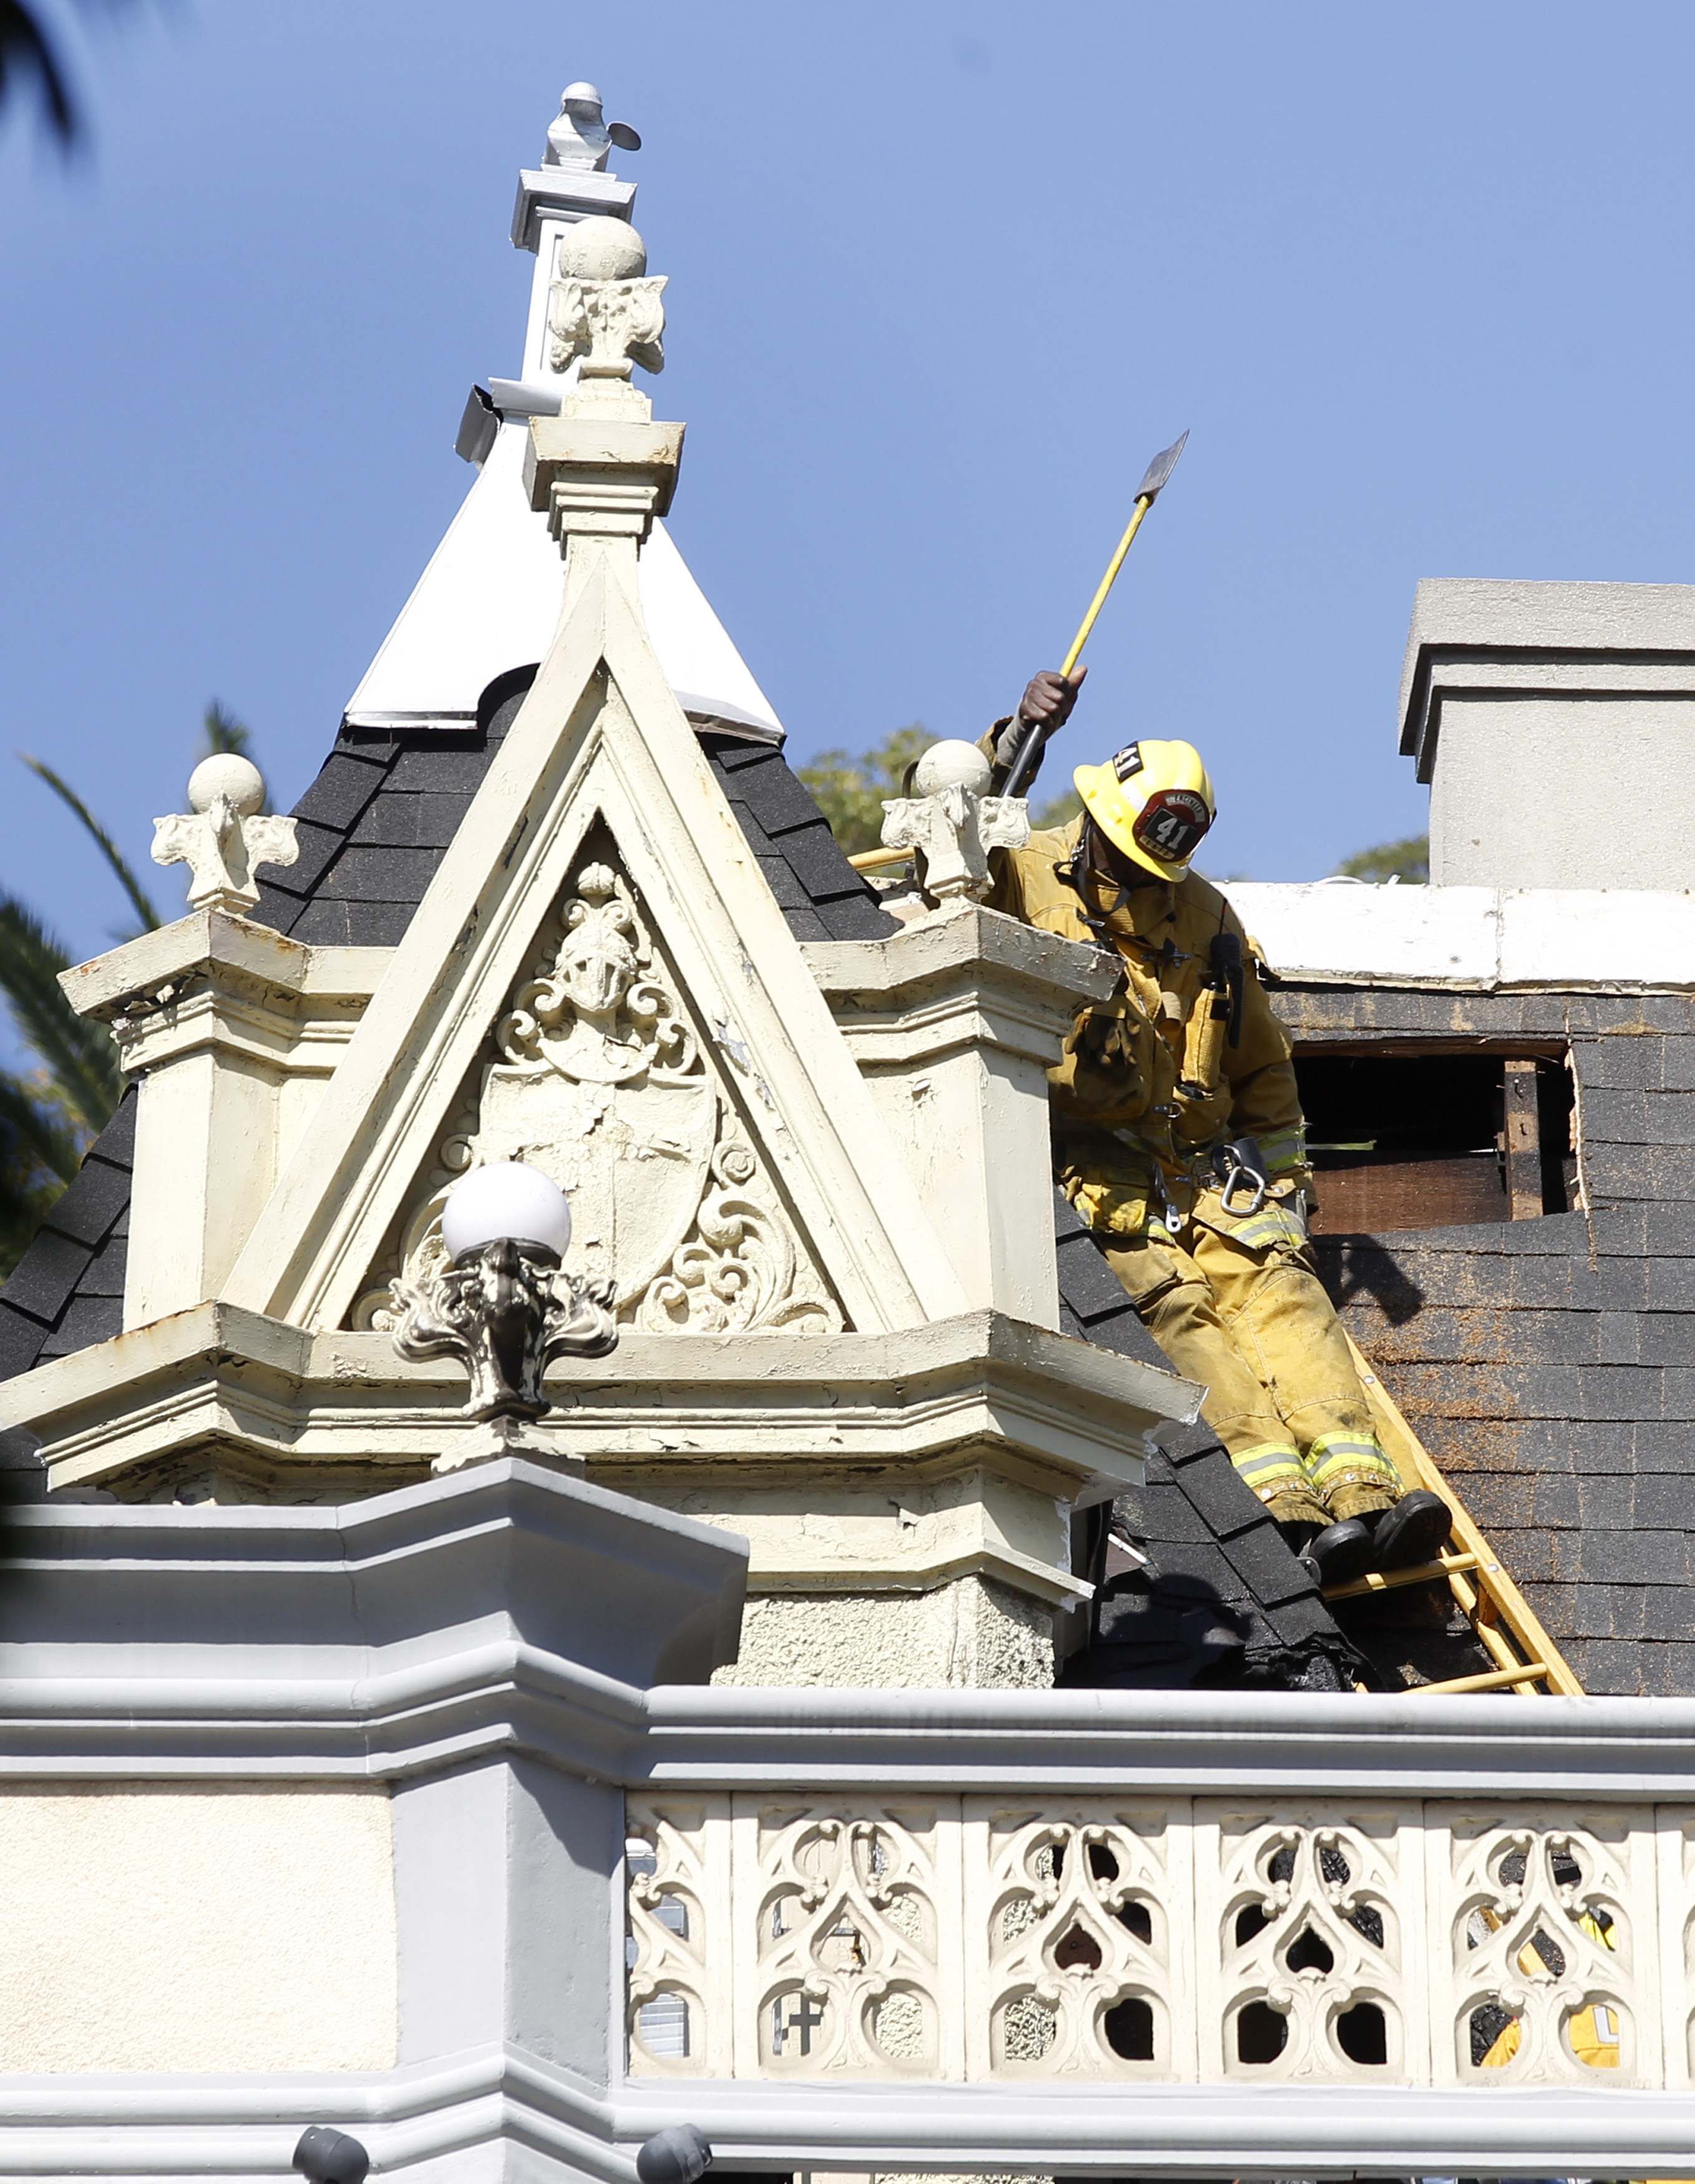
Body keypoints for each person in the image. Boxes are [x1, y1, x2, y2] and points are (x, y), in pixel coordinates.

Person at [983, 668, 1452, 1587]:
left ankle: (1362, 1494)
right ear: (1098, 824)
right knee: (1180, 1310)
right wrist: (1011, 740)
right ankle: (1284, 1508)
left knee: (1282, 1294)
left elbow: (1259, 1067)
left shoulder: (1204, 915)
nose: (1142, 881)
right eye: (1128, 858)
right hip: (1091, 1170)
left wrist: (1282, 1193)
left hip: (1199, 1168)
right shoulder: (1022, 873)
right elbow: (948, 855)